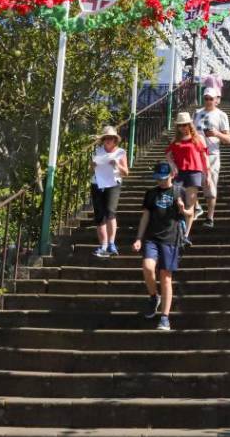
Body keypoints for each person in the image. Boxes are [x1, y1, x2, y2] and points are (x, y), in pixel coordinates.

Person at [133, 162, 191, 331]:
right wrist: (138, 238)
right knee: (147, 267)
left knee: (166, 277)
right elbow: (145, 217)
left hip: (171, 238)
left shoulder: (180, 191)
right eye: (158, 178)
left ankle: (165, 317)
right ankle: (153, 297)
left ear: (172, 175)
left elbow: (190, 214)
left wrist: (182, 209)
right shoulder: (151, 193)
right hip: (152, 237)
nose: (160, 181)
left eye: (163, 178)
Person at [165, 112, 208, 246]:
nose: (183, 127)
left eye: (185, 125)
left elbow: (204, 156)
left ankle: (185, 235)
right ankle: (179, 227)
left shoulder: (198, 138)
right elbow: (168, 154)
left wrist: (208, 175)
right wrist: (172, 165)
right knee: (177, 202)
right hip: (180, 173)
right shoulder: (175, 141)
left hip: (194, 172)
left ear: (190, 124)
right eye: (180, 125)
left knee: (190, 203)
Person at [192, 88, 230, 228]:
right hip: (196, 153)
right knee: (190, 181)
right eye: (206, 98)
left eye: (211, 98)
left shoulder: (221, 115)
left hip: (212, 153)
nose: (208, 101)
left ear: (216, 99)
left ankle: (210, 216)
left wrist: (216, 134)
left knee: (210, 184)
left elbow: (228, 139)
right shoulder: (197, 113)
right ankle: (196, 207)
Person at [89, 126, 129, 258]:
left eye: (111, 138)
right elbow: (90, 171)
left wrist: (117, 164)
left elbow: (126, 173)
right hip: (97, 183)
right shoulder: (97, 151)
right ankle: (103, 246)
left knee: (110, 211)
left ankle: (111, 243)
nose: (108, 140)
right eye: (106, 138)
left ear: (115, 140)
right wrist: (92, 166)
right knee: (100, 215)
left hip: (113, 183)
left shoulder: (120, 152)